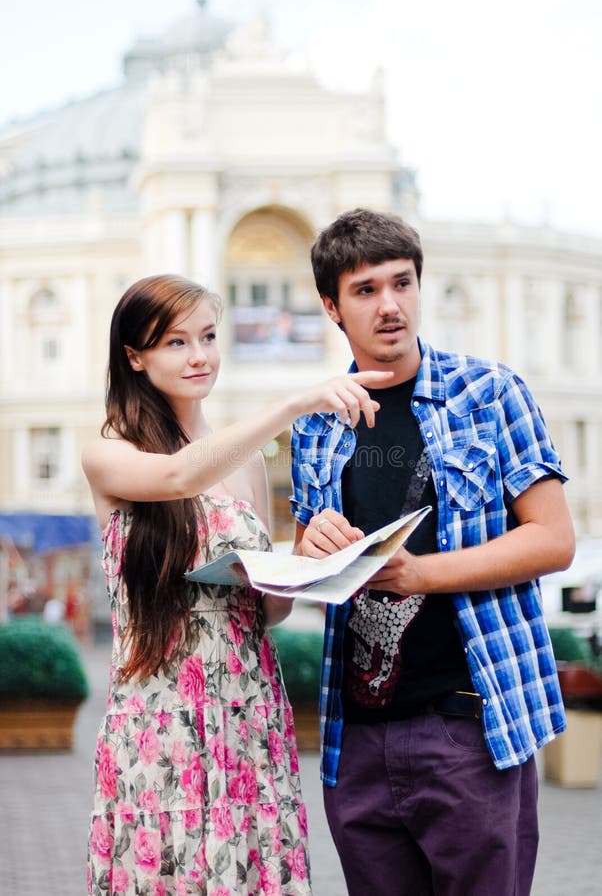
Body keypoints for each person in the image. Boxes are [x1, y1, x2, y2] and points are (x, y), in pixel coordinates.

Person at [290, 209, 576, 896]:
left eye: (402, 283)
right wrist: (309, 544)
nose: (390, 305)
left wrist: (422, 573)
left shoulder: (490, 394)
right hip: (355, 737)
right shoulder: (313, 424)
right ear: (332, 306)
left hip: (468, 726)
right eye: (365, 290)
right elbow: (310, 555)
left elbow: (553, 538)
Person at [82, 273, 390, 895]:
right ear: (134, 356)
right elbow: (176, 477)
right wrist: (291, 406)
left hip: (249, 707)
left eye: (208, 337)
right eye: (174, 342)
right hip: (161, 713)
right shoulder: (110, 452)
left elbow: (267, 611)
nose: (199, 356)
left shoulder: (249, 463)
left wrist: (306, 563)